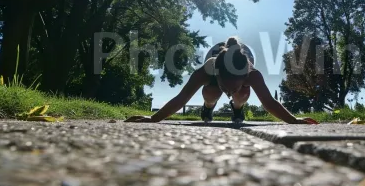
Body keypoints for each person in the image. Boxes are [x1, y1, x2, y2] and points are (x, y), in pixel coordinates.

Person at [126, 37, 319, 124]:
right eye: (226, 86)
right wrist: (154, 118)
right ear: (216, 73)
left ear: (245, 75)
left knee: (243, 93)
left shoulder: (253, 74)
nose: (229, 91)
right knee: (212, 92)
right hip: (211, 86)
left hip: (242, 84)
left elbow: (269, 102)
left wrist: (294, 121)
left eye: (231, 87)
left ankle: (238, 109)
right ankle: (208, 107)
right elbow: (182, 98)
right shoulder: (207, 69)